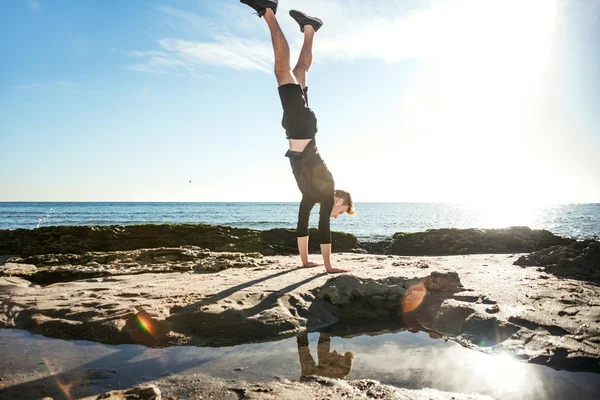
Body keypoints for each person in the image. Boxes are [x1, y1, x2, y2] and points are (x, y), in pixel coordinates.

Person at [241, 0, 355, 274]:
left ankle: (310, 29)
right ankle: (268, 11)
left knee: (299, 72)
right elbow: (322, 229)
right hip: (300, 127)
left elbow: (303, 224)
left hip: (296, 128)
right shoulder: (327, 190)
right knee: (283, 71)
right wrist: (329, 267)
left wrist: (305, 261)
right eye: (341, 212)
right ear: (341, 202)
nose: (335, 216)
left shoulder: (311, 195)